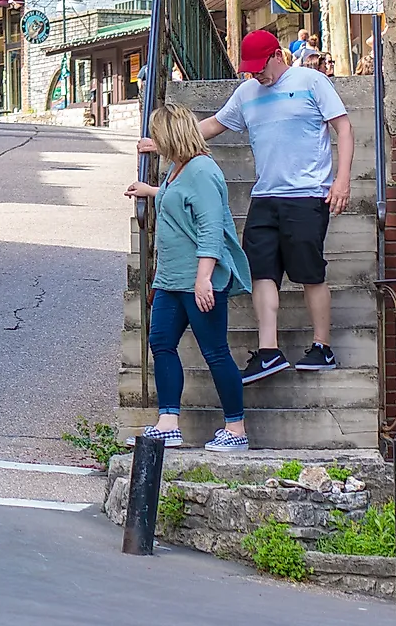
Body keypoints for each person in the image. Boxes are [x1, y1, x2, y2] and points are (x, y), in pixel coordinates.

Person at [143, 27, 354, 382]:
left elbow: (344, 129)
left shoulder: (311, 81)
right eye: (250, 68)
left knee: (309, 272)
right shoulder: (246, 93)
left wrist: (342, 179)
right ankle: (269, 350)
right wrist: (162, 142)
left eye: (261, 66)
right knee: (261, 271)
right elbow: (213, 125)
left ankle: (322, 347)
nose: (256, 73)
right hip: (264, 196)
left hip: (306, 194)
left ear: (277, 55)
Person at [125, 104, 255, 452]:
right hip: (170, 279)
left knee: (215, 351)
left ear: (172, 136)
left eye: (158, 135)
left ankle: (236, 428)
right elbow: (176, 199)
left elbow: (211, 229)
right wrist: (149, 190)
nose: (154, 141)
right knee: (161, 342)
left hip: (200, 279)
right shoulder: (176, 169)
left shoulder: (202, 171)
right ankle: (168, 423)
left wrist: (204, 279)